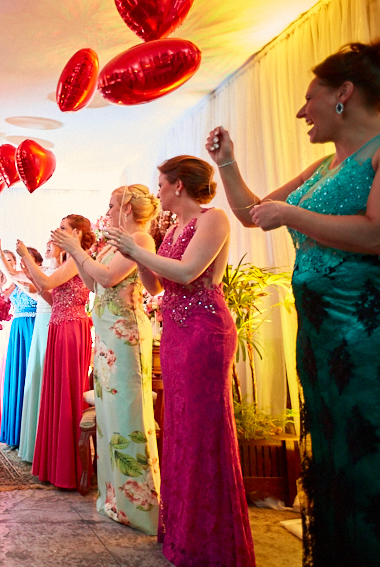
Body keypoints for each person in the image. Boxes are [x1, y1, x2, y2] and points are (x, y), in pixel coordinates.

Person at [205, 41, 380, 564]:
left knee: (366, 458)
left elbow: (375, 234)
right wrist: (227, 163)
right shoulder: (323, 166)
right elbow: (255, 212)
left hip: (364, 340)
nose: (303, 111)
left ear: (344, 93)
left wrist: (293, 216)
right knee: (331, 458)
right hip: (320, 339)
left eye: (309, 98)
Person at [105, 156, 254, 566]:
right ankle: (183, 534)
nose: (157, 191)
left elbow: (188, 273)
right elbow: (157, 286)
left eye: (161, 184)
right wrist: (135, 251)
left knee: (205, 431)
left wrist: (135, 248)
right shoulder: (170, 231)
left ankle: (213, 543)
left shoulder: (213, 219)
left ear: (178, 186)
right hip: (174, 333)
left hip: (205, 333)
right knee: (180, 429)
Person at [53, 185, 161, 534]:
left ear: (127, 208)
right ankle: (115, 499)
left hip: (126, 338)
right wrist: (77, 254)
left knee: (128, 416)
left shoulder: (141, 240)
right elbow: (92, 283)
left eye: (113, 205)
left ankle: (140, 506)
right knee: (110, 418)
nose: (109, 210)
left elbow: (109, 277)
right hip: (106, 339)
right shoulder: (112, 244)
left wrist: (76, 250)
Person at [17, 216, 93, 490]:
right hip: (58, 326)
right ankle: (53, 466)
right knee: (55, 393)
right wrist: (33, 278)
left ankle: (67, 469)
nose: (57, 231)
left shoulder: (78, 259)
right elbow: (52, 297)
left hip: (72, 329)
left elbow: (48, 283)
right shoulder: (66, 262)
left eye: (63, 228)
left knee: (66, 393)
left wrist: (27, 257)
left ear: (77, 233)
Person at [0, 235, 41, 449]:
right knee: (16, 376)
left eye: (24, 261)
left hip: (33, 326)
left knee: (29, 376)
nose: (21, 265)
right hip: (17, 329)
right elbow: (2, 297)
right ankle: (15, 432)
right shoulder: (16, 281)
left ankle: (30, 433)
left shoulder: (35, 278)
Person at [18, 240, 61, 463]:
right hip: (41, 324)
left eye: (52, 243)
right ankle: (35, 442)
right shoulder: (44, 271)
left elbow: (47, 295)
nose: (48, 245)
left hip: (54, 323)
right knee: (36, 376)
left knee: (47, 378)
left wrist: (27, 262)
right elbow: (37, 290)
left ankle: (48, 444)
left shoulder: (64, 269)